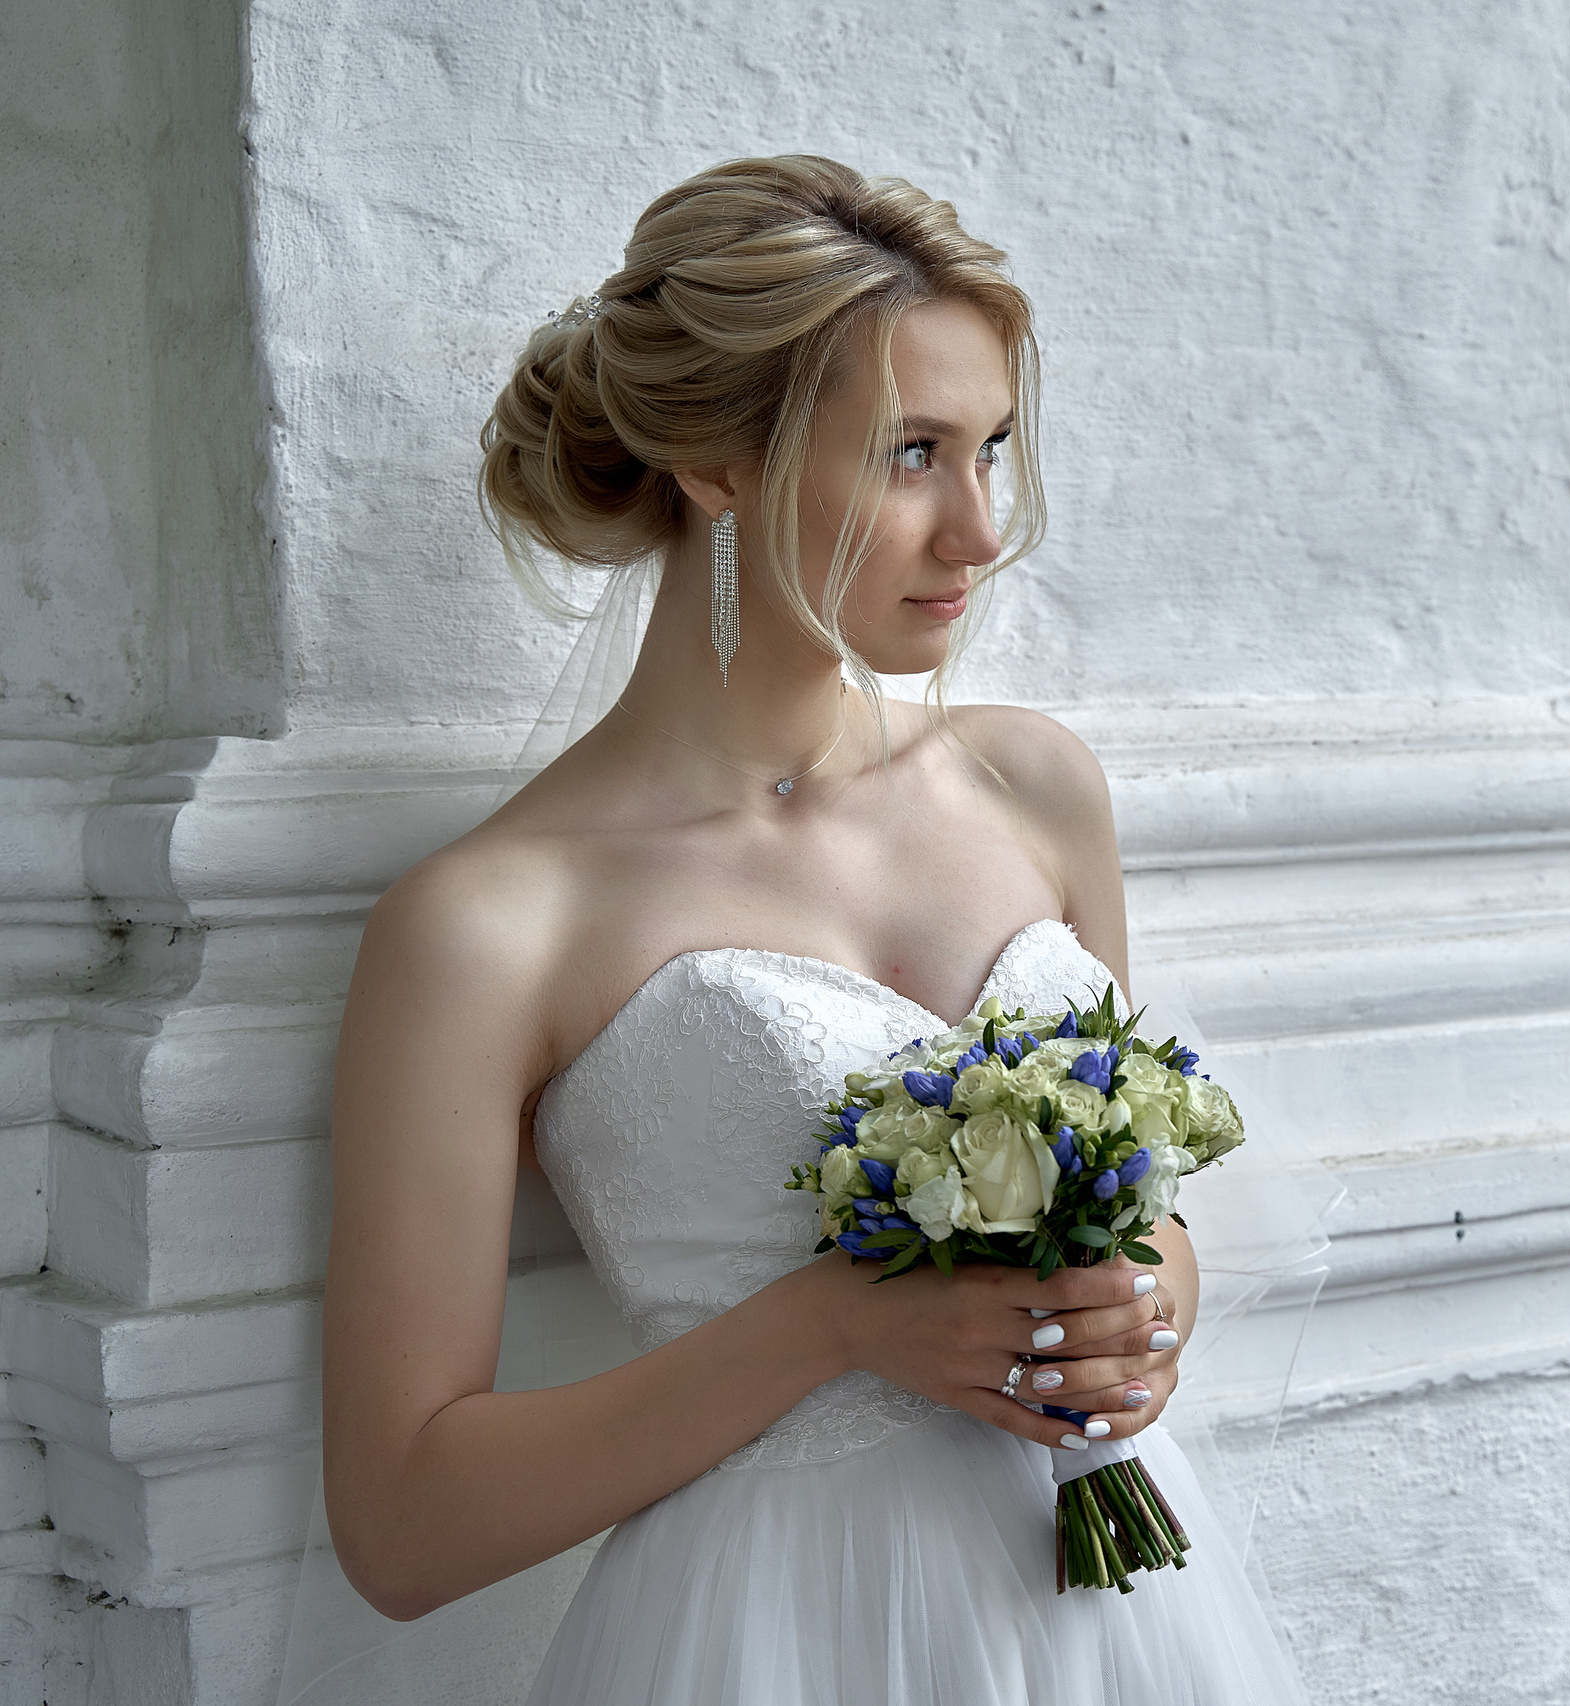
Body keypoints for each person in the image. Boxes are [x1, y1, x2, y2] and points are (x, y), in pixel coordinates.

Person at [319, 155, 1303, 1703]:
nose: (977, 531)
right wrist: (832, 1325)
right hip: (776, 1636)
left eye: (990, 449)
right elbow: (402, 1525)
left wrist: (1138, 1307)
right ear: (716, 461)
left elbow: (1150, 1218)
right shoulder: (490, 924)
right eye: (913, 455)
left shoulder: (1033, 787)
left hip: (1112, 1622)